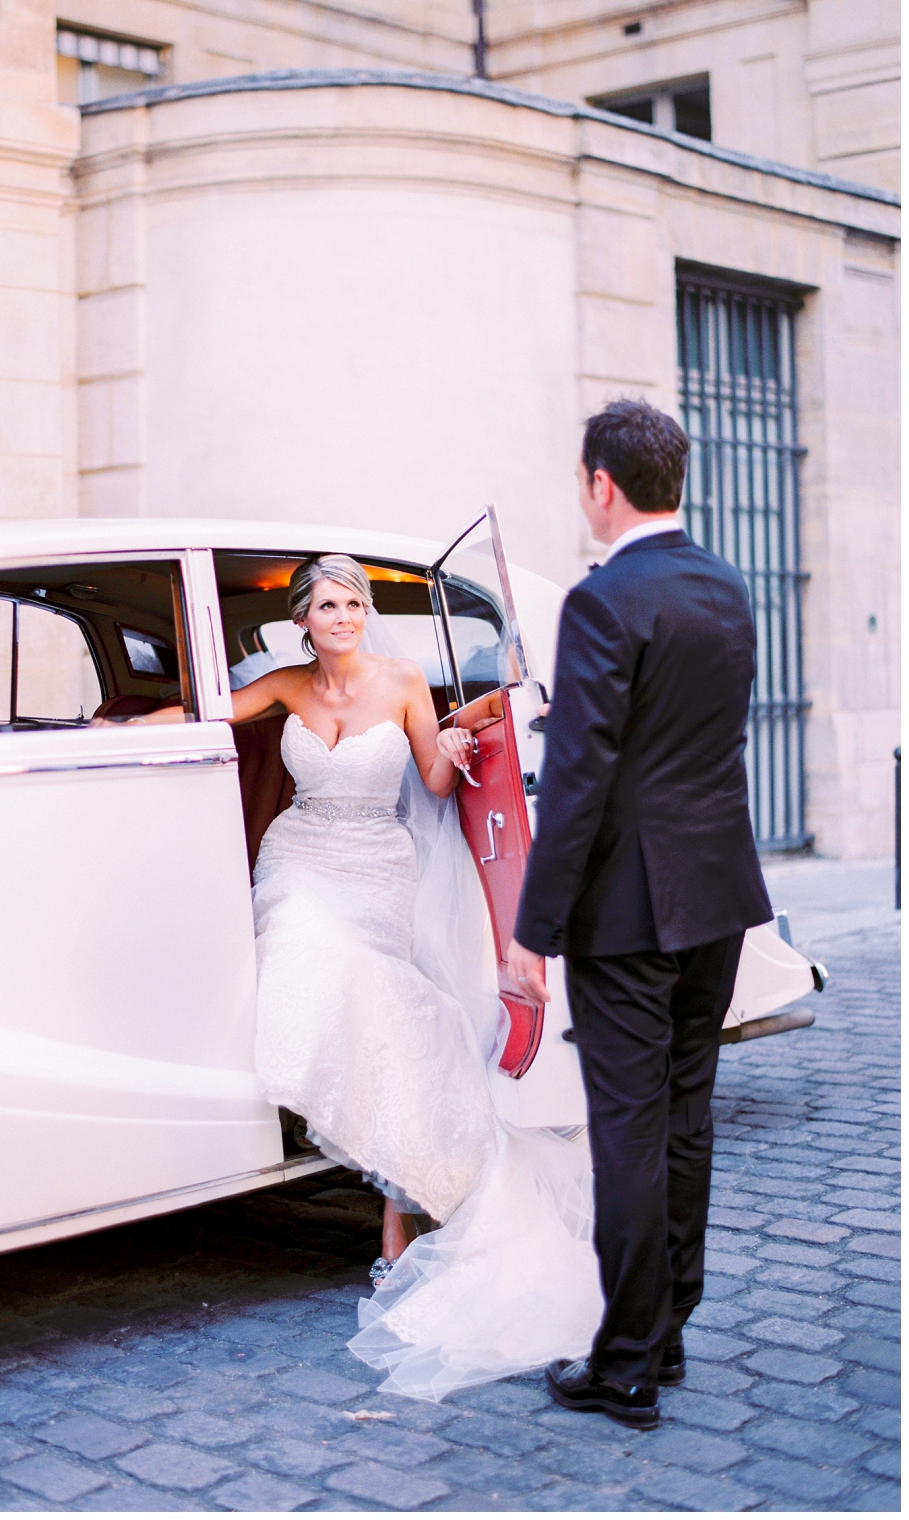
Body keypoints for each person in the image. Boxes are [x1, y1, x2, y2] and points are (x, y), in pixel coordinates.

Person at [219, 553, 605, 1400]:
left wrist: (462, 741)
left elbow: (431, 776)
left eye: (353, 602)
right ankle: (388, 1190)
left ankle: (402, 1204)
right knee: (304, 950)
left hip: (375, 867)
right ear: (304, 620)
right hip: (302, 853)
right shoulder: (287, 683)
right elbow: (211, 711)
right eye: (327, 605)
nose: (344, 616)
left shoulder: (401, 679)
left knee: (382, 1003)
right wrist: (118, 727)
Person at [504, 399, 772, 1430]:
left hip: (625, 908)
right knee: (685, 1115)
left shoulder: (603, 599)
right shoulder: (727, 585)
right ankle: (667, 1328)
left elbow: (579, 787)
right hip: (716, 894)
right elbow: (700, 739)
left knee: (629, 1129)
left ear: (600, 485)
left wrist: (533, 935)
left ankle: (624, 1365)